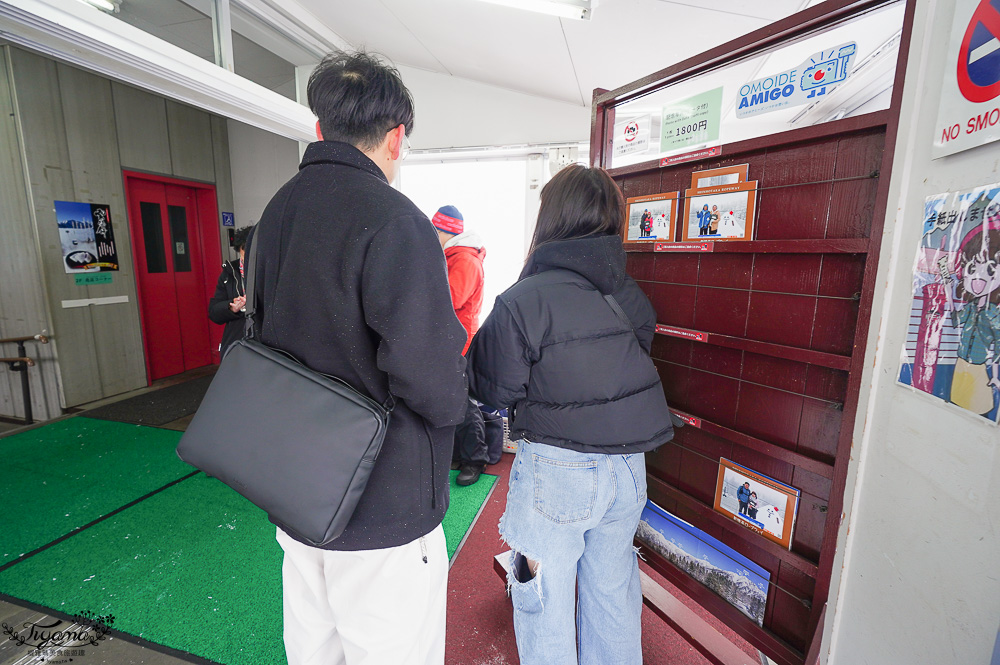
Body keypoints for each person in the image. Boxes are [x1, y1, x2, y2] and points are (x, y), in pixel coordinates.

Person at [250, 51, 468, 665]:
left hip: (297, 492)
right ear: (396, 138)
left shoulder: (275, 214)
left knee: (314, 651)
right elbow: (430, 376)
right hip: (383, 503)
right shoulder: (396, 221)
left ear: (320, 129)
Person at [466, 164, 674, 665]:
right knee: (613, 595)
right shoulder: (630, 295)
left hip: (557, 474)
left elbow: (491, 390)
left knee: (544, 602)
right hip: (629, 469)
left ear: (551, 219)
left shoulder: (522, 300)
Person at [432, 205, 490, 486]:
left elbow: (450, 300)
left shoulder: (465, 260)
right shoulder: (453, 256)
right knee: (451, 400)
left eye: (435, 230)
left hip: (458, 341)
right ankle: (459, 454)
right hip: (449, 338)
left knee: (464, 403)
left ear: (445, 232)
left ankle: (475, 460)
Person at [207, 225, 254, 355]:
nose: (249, 258)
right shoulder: (229, 273)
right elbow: (214, 312)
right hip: (237, 342)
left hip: (266, 343)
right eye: (245, 251)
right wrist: (231, 307)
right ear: (239, 250)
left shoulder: (272, 270)